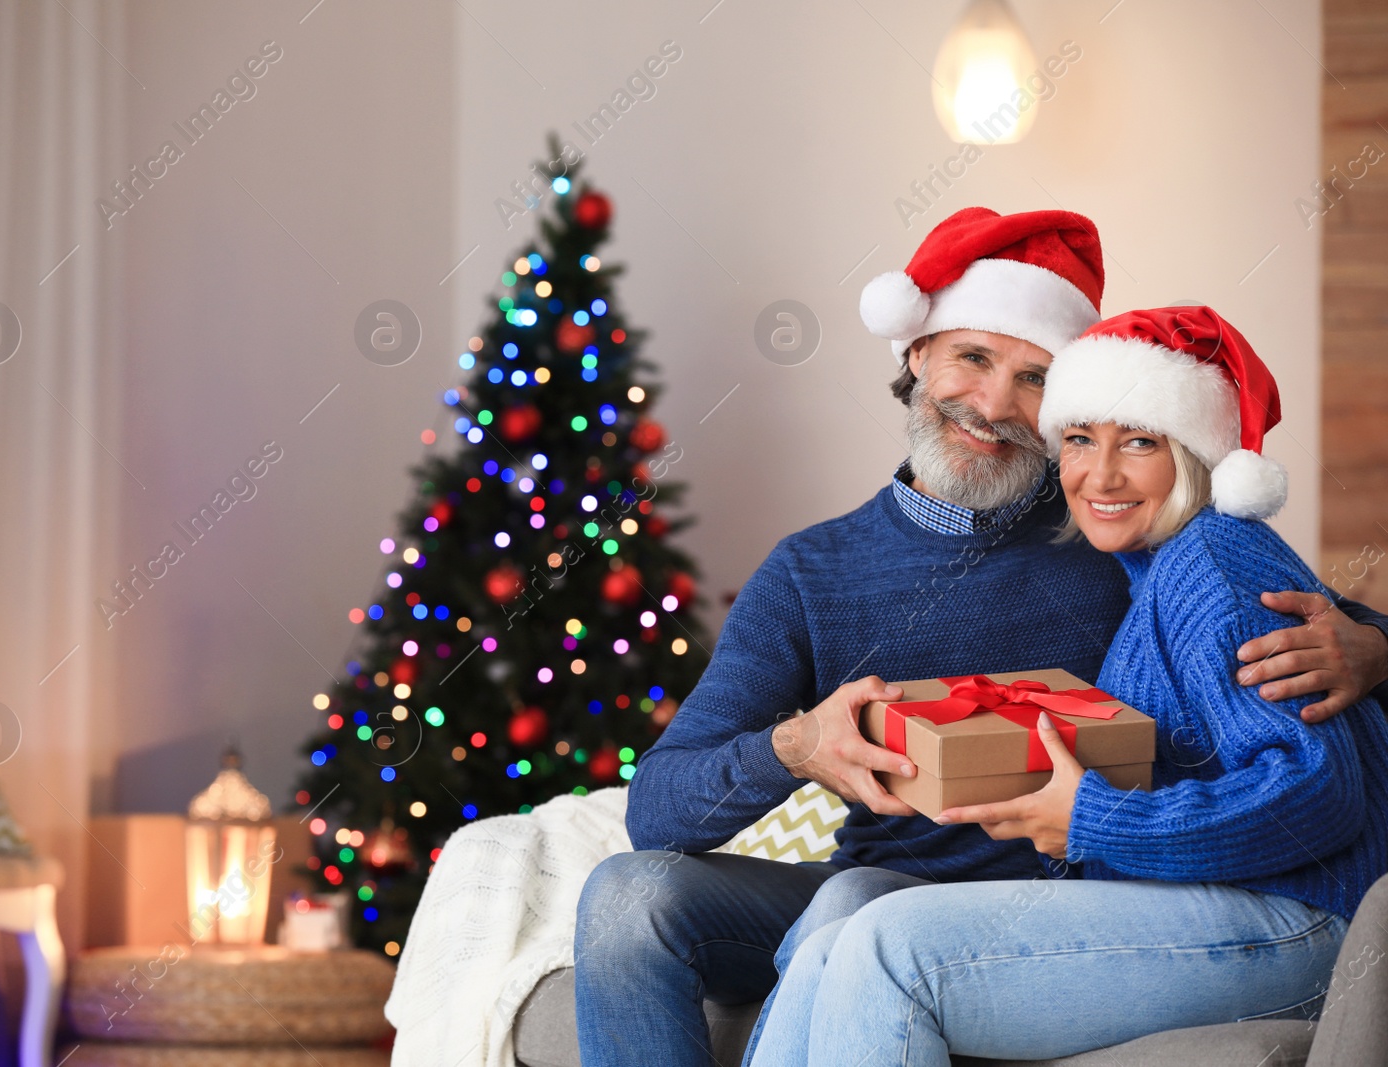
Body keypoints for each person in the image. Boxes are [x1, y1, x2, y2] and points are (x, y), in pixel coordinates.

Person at [573, 209, 1388, 1067]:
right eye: (972, 357)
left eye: (1035, 379)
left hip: (1070, 883)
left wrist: (1375, 649)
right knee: (632, 898)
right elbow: (657, 808)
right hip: (899, 881)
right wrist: (797, 746)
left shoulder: (1108, 523)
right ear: (917, 352)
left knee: (851, 908)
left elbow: (1274, 615)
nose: (994, 403)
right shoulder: (811, 570)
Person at [745, 306, 1388, 1066]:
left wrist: (1093, 817)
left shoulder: (1211, 560)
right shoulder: (1149, 561)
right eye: (1080, 439)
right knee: (834, 938)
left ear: (1193, 455)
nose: (1100, 475)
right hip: (1204, 901)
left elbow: (1318, 792)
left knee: (889, 948)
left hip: (1298, 920)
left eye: (1140, 442)